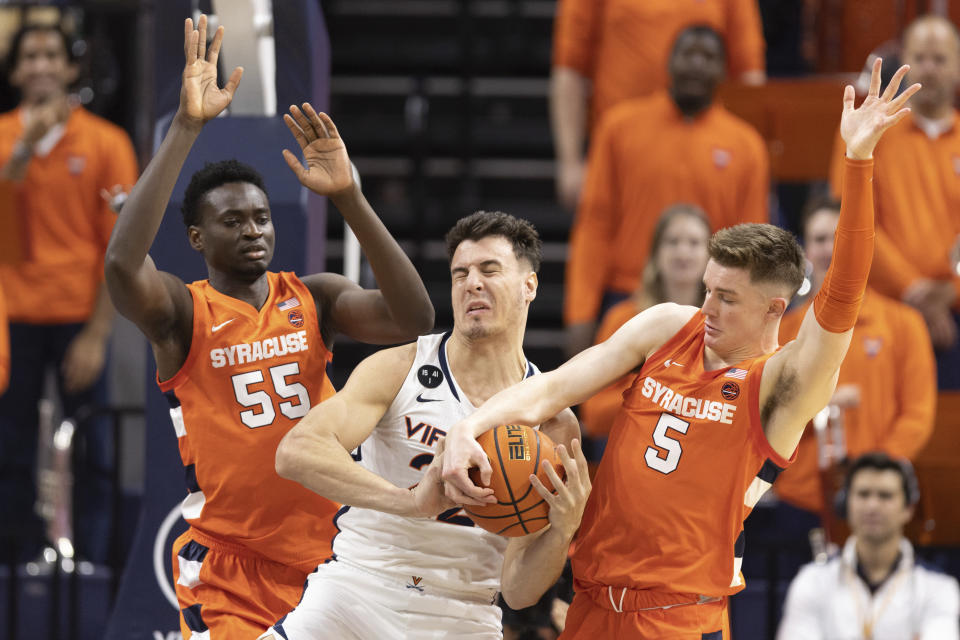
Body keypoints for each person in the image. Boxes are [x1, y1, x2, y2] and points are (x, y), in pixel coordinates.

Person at [442, 59, 920, 638]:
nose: (708, 307)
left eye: (727, 298)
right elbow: (551, 387)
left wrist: (858, 161)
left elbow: (843, 291)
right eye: (708, 289)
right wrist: (470, 428)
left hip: (677, 618)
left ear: (775, 308)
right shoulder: (670, 323)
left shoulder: (783, 386)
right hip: (592, 602)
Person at [103, 16, 433, 638]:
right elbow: (122, 265)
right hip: (233, 568)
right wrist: (185, 127)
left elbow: (414, 318)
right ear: (197, 237)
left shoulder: (316, 297)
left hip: (334, 556)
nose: (253, 228)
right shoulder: (182, 312)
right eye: (233, 220)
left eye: (260, 217)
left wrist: (351, 198)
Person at [261, 211, 590, 640]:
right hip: (358, 590)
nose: (472, 283)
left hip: (464, 614)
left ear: (529, 286)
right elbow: (295, 452)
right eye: (460, 274)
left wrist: (563, 529)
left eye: (490, 270)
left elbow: (518, 591)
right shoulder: (401, 367)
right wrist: (410, 501)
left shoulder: (553, 422)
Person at [0, 22, 138, 563]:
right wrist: (27, 147)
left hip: (80, 318)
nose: (40, 66)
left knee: (94, 451)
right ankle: (16, 567)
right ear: (14, 71)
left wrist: (96, 335)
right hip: (12, 317)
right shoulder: (5, 136)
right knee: (8, 450)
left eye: (51, 55)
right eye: (29, 56)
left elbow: (118, 246)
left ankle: (94, 566)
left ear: (71, 68)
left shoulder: (107, 142)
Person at [564, 25, 769, 356]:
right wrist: (580, 313)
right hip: (627, 298)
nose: (697, 65)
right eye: (688, 54)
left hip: (710, 309)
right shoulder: (619, 128)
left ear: (723, 70)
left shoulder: (747, 146)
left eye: (709, 57)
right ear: (669, 62)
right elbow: (594, 225)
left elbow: (750, 248)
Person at [775, 198, 936, 515]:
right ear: (805, 251)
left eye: (841, 237)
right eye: (820, 239)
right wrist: (822, 401)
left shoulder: (905, 325)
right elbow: (767, 413)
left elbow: (918, 416)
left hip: (877, 503)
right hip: (797, 500)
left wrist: (874, 475)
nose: (830, 249)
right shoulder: (783, 330)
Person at [829, 15, 960, 365]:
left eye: (941, 59)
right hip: (881, 311)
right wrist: (912, 289)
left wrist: (951, 290)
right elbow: (852, 218)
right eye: (920, 58)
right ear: (904, 62)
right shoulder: (868, 133)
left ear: (958, 68)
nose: (929, 69)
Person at [551, 0, 766, 208]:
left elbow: (748, 73)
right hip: (621, 155)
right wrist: (570, 162)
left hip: (707, 155)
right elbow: (570, 67)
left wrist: (749, 161)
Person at [777, 452, 960, 640]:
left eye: (885, 496)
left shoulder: (937, 589)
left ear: (908, 509)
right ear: (846, 505)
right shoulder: (812, 581)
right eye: (863, 494)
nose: (872, 505)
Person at [580, 204, 711, 447]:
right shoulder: (623, 318)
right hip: (633, 454)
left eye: (694, 243)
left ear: (709, 256)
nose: (683, 252)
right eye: (672, 242)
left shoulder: (722, 323)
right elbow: (594, 414)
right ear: (655, 254)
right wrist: (654, 390)